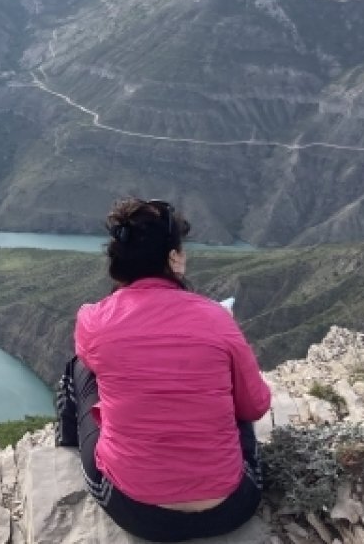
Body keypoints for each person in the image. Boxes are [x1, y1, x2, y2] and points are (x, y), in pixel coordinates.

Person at [55, 197, 270, 542]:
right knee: (231, 392)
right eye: (181, 250)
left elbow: (95, 366)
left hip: (136, 512)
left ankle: (67, 439)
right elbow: (255, 406)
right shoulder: (217, 319)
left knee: (79, 367)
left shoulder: (94, 320)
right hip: (231, 508)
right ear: (173, 258)